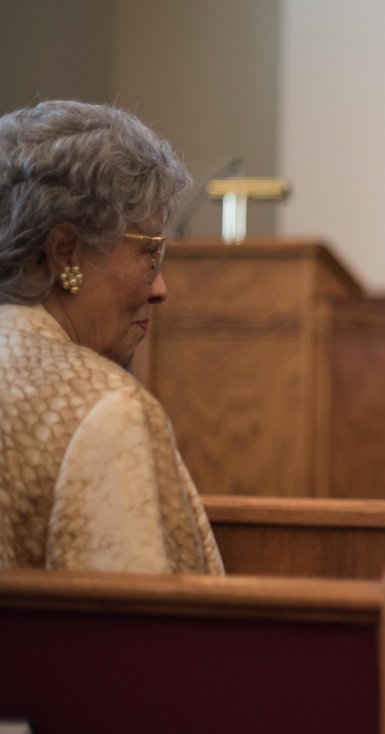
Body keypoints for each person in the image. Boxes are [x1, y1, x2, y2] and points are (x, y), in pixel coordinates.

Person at [0, 100, 223, 575]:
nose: (161, 289)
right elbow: (128, 641)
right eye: (151, 252)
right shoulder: (105, 409)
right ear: (65, 252)